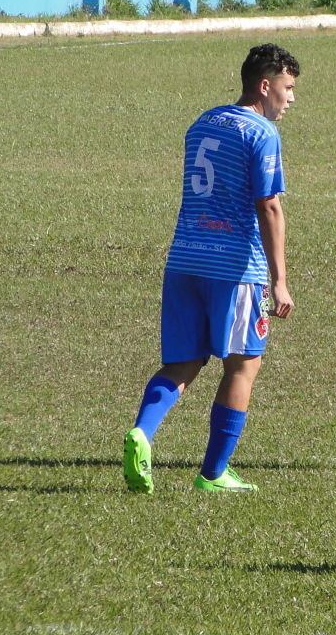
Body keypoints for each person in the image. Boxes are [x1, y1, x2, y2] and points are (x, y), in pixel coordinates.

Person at [122, 43, 300, 494]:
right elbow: (269, 206)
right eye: (287, 88)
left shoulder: (202, 122)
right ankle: (214, 473)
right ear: (265, 86)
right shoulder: (261, 133)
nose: (291, 98)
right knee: (243, 364)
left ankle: (142, 432)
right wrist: (280, 279)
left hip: (184, 260)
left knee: (182, 363)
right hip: (233, 268)